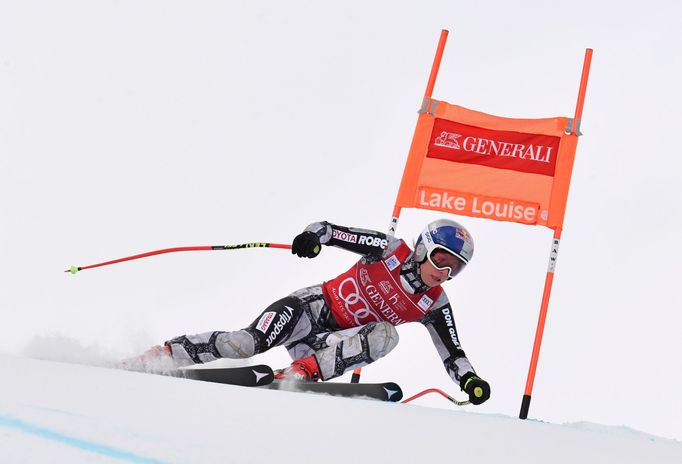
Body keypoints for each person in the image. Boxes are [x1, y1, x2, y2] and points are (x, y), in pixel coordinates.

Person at [123, 219, 491, 405]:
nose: (444, 272)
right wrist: (312, 238)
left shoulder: (435, 304)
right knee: (244, 344)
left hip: (327, 346)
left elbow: (453, 353)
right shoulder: (388, 249)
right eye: (442, 259)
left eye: (454, 268)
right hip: (307, 309)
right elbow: (330, 230)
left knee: (386, 336)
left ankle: (299, 372)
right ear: (425, 248)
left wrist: (469, 382)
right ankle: (165, 354)